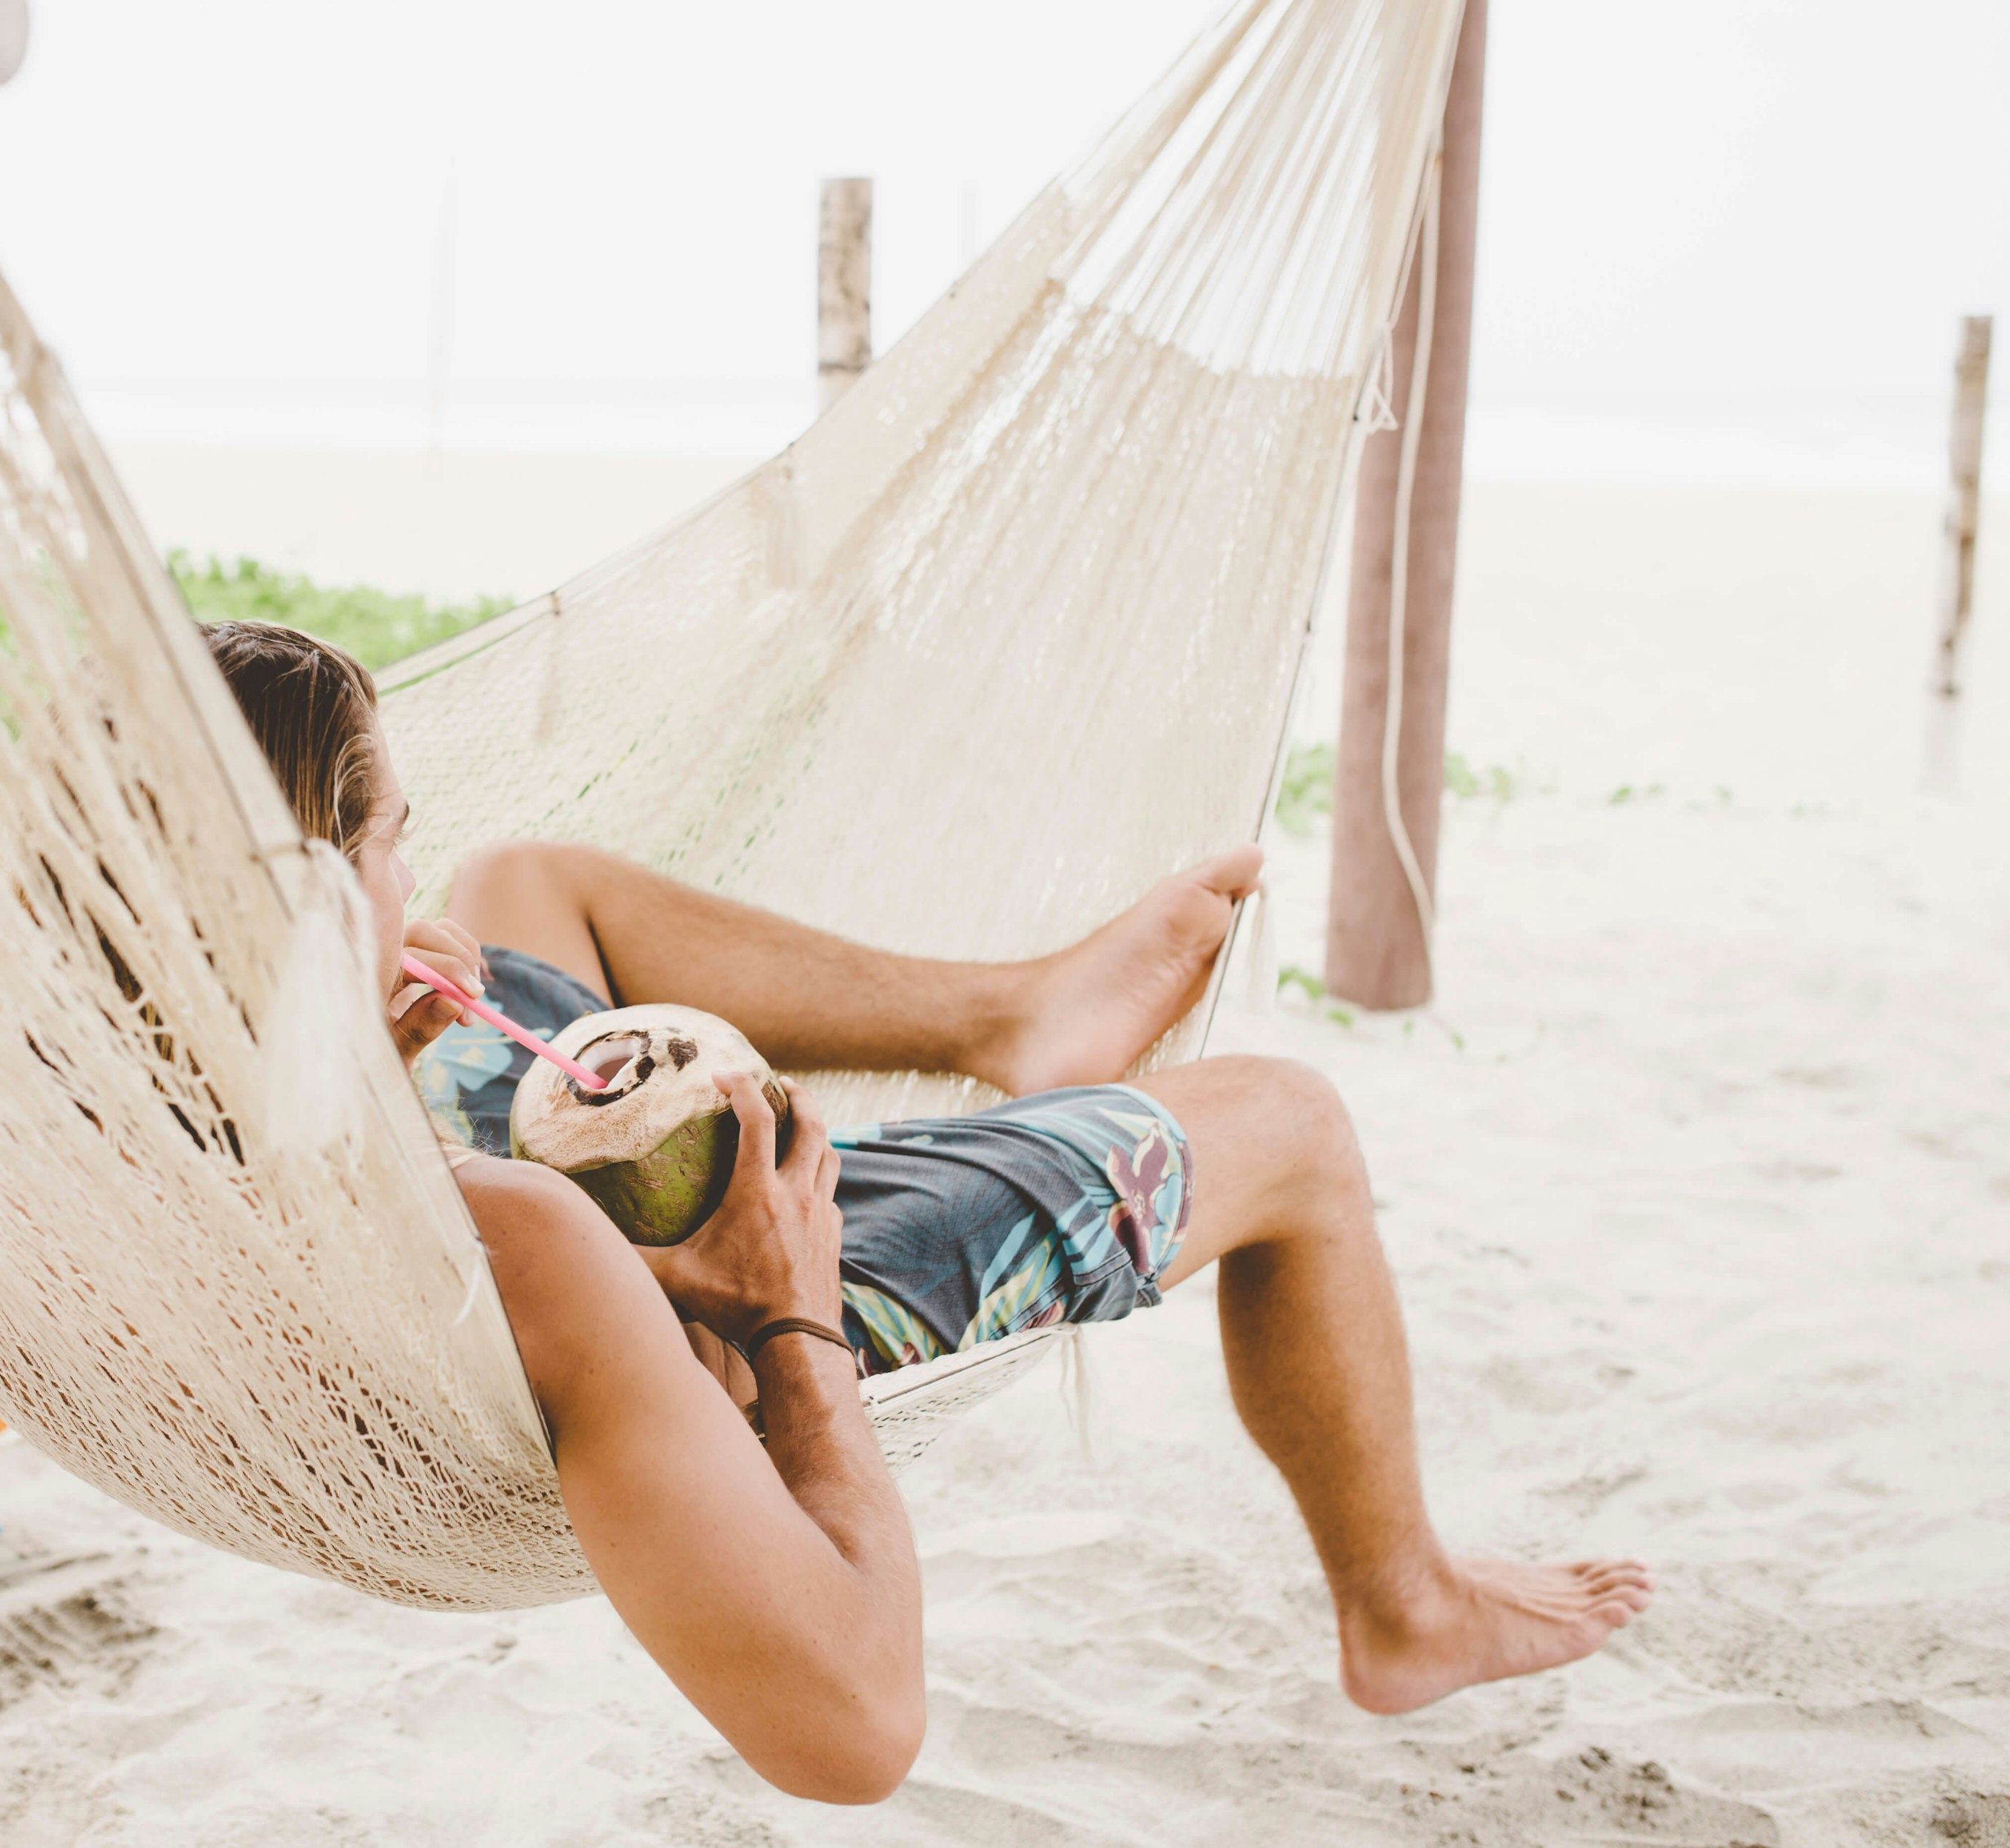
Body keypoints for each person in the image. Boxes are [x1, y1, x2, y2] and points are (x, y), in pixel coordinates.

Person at [205, 621, 1653, 1803]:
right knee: (1292, 1126)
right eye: (390, 837)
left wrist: (364, 1068)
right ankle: (1405, 1603)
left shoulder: (135, 1077)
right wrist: (787, 1302)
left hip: (407, 1174)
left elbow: (319, 1184)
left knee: (523, 884)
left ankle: (1012, 1015)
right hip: (688, 1289)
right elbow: (856, 1727)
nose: (407, 870)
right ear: (320, 895)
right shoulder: (528, 1244)